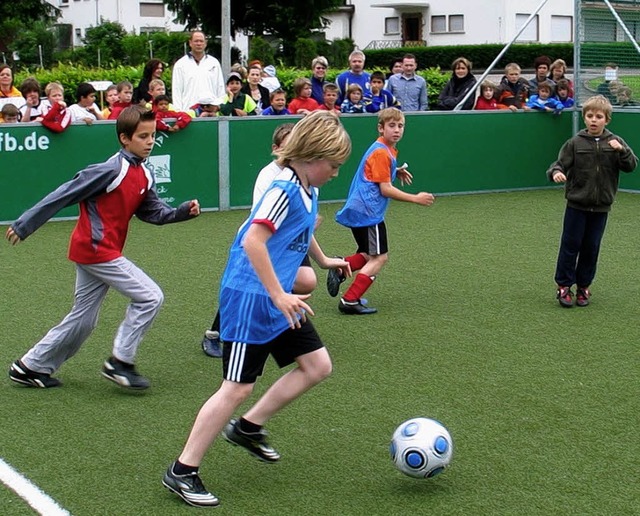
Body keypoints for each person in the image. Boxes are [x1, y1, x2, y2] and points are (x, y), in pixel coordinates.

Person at [164, 111, 351, 508]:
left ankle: (248, 428)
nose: (336, 173)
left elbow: (301, 232)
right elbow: (253, 241)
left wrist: (324, 261)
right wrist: (278, 294)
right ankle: (182, 470)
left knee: (317, 366)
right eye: (334, 166)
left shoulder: (306, 187)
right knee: (237, 387)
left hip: (276, 296)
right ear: (313, 157)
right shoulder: (282, 190)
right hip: (251, 297)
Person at [6, 106, 201, 389]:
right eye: (143, 136)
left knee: (83, 319)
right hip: (97, 251)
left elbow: (153, 213)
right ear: (124, 138)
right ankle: (120, 362)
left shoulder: (144, 174)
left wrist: (182, 212)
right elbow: (64, 193)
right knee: (150, 297)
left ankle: (29, 366)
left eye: (152, 136)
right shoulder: (110, 170)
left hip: (97, 251)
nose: (149, 142)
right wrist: (26, 223)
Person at [201, 123, 330, 357]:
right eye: (290, 143)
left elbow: (302, 223)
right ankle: (216, 333)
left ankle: (273, 313)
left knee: (307, 281)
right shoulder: (274, 178)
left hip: (289, 244)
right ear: (277, 148)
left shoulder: (309, 179)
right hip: (268, 242)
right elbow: (259, 227)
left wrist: (324, 259)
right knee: (249, 284)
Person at [330, 108, 435, 315]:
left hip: (362, 209)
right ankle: (350, 300)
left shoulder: (383, 149)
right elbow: (385, 189)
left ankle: (340, 267)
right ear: (381, 127)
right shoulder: (381, 152)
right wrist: (415, 198)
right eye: (392, 125)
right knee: (379, 258)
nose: (397, 130)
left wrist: (395, 171)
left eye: (400, 126)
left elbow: (373, 175)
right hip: (369, 212)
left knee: (368, 254)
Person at [547, 95, 637, 308]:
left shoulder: (615, 142)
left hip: (601, 207)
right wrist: (556, 173)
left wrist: (622, 151)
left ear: (607, 119)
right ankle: (564, 285)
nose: (593, 120)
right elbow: (558, 164)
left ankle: (584, 286)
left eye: (598, 116)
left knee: (591, 247)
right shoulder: (575, 143)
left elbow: (631, 165)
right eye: (589, 116)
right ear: (584, 118)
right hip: (576, 205)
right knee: (570, 246)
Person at [171, 31, 225, 111]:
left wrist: (219, 107)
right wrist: (179, 112)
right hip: (188, 113)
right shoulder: (180, 64)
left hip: (211, 113)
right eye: (196, 41)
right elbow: (176, 91)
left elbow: (220, 88)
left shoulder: (214, 63)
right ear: (190, 43)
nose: (199, 44)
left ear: (205, 43)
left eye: (201, 41)